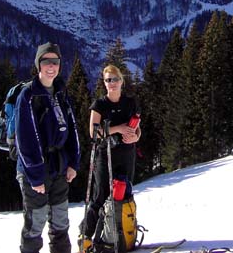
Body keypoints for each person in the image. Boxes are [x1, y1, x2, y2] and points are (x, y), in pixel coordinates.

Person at [15, 42, 80, 253]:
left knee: (61, 223)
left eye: (55, 61)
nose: (51, 66)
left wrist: (73, 163)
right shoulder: (28, 95)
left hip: (59, 167)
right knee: (35, 225)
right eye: (46, 61)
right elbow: (25, 139)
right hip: (36, 170)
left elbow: (71, 129)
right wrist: (35, 175)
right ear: (38, 64)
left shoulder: (61, 92)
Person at [80, 64, 141, 249]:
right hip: (104, 155)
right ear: (104, 83)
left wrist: (135, 137)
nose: (111, 83)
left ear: (122, 81)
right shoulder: (99, 105)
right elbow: (94, 132)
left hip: (126, 153)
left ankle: (118, 236)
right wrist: (119, 129)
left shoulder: (131, 103)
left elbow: (138, 129)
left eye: (115, 79)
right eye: (108, 80)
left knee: (124, 192)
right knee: (100, 197)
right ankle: (86, 237)